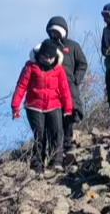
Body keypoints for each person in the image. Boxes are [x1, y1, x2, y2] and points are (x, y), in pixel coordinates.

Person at [12, 40, 74, 168]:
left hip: (54, 105)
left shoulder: (58, 69)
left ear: (55, 57)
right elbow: (21, 86)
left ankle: (56, 161)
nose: (47, 59)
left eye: (50, 57)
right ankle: (37, 164)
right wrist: (15, 107)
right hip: (34, 106)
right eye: (45, 56)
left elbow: (64, 89)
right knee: (39, 135)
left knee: (57, 132)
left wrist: (68, 108)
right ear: (39, 55)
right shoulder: (30, 67)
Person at [47, 16, 90, 144]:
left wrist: (76, 79)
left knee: (69, 113)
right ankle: (55, 145)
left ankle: (67, 140)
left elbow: (82, 64)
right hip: (52, 88)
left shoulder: (73, 46)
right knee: (54, 116)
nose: (53, 34)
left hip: (69, 85)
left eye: (56, 31)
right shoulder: (48, 46)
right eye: (51, 31)